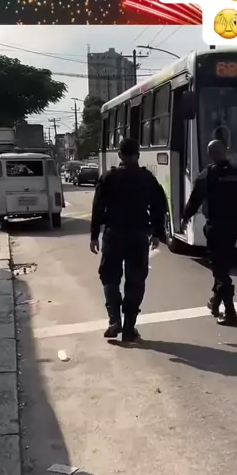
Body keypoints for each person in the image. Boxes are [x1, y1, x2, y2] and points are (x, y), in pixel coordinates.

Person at [90, 137, 167, 342]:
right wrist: (157, 233)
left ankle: (114, 320)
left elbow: (98, 207)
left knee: (110, 277)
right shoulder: (147, 178)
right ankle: (129, 328)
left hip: (113, 234)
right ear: (138, 155)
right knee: (136, 280)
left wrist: (94, 235)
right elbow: (159, 206)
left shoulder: (109, 177)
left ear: (119, 155)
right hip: (138, 235)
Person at [181, 139, 237, 327]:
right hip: (232, 228)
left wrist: (185, 218)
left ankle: (230, 313)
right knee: (222, 266)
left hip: (215, 228)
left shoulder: (208, 174)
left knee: (220, 270)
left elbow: (194, 200)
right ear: (226, 151)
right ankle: (215, 303)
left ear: (210, 155)